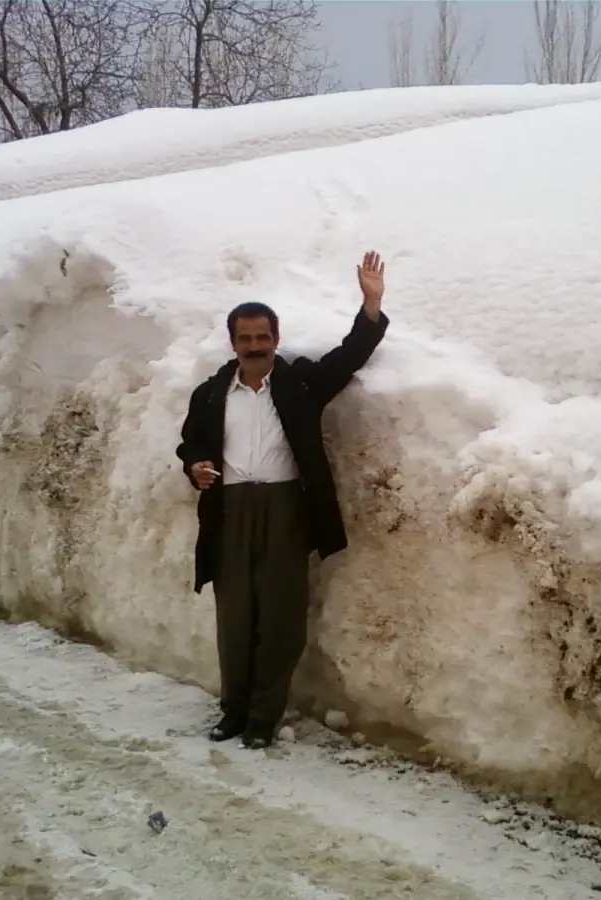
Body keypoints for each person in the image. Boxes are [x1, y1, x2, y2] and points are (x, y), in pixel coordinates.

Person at [175, 251, 390, 749]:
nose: (255, 346)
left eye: (263, 337)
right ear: (233, 342)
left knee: (280, 619)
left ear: (276, 339)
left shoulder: (300, 384)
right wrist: (196, 465)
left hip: (286, 512)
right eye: (246, 338)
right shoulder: (209, 394)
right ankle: (234, 709)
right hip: (229, 513)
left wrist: (371, 303)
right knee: (234, 619)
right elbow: (191, 443)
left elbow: (351, 352)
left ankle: (262, 717)